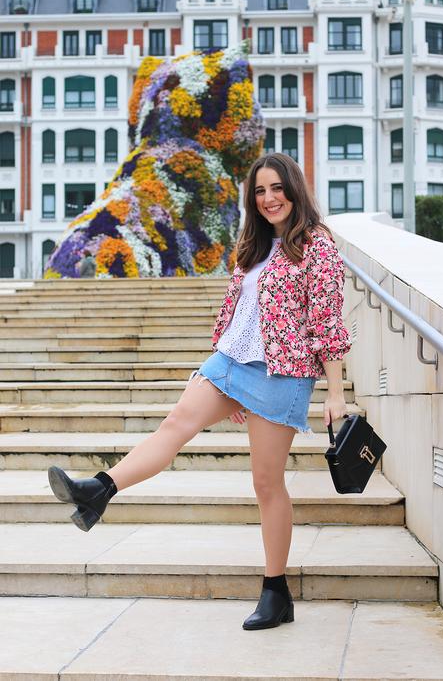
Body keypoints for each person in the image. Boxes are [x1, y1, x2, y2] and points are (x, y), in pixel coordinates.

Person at [47, 152, 352, 631]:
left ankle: (277, 592)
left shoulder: (317, 246)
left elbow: (328, 319)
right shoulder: (253, 245)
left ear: (295, 189)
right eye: (260, 191)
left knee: (266, 485)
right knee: (175, 423)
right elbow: (240, 310)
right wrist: (220, 375)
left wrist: (335, 393)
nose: (269, 199)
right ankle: (98, 490)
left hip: (282, 373)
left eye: (277, 188)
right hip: (232, 362)